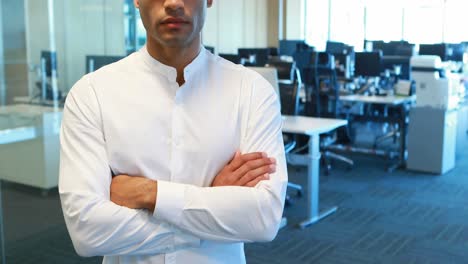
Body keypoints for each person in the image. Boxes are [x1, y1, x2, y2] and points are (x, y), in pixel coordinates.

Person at [59, 0, 288, 263]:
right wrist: (212, 205)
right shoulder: (91, 94)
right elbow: (87, 232)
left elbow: (263, 219)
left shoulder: (252, 92)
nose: (174, 3)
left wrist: (149, 193)